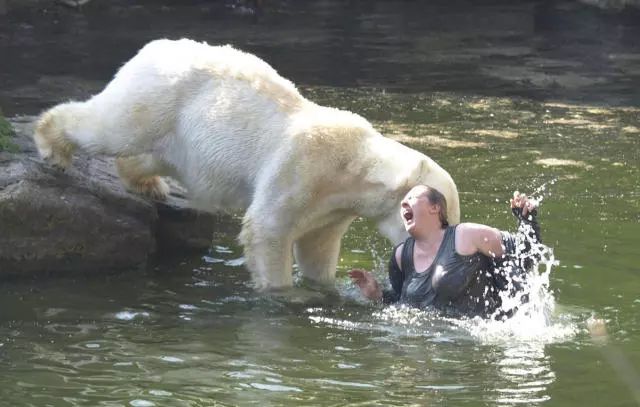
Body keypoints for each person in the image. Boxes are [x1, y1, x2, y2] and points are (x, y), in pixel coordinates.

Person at [349, 185, 543, 318]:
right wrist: (377, 295)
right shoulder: (401, 256)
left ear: (435, 208)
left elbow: (526, 257)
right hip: (429, 350)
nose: (403, 204)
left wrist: (527, 221)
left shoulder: (468, 235)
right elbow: (400, 305)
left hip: (480, 343)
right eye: (402, 202)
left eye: (412, 198)